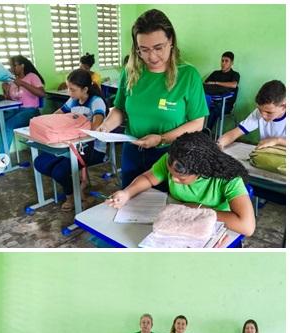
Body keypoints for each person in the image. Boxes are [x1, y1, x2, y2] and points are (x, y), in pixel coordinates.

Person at [97, 9, 208, 188]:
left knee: (163, 208)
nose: (152, 57)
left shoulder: (188, 75)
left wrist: (161, 138)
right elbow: (120, 109)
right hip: (132, 151)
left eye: (158, 48)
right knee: (130, 204)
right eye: (144, 50)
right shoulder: (131, 72)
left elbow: (197, 123)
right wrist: (106, 126)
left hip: (170, 156)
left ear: (170, 41)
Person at [106, 131, 256, 237]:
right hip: (176, 221)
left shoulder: (229, 179)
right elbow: (148, 178)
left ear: (202, 171)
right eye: (171, 174)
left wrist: (199, 209)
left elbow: (247, 227)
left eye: (181, 178)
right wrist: (127, 193)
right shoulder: (173, 160)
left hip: (211, 227)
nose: (173, 180)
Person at [34, 69, 107, 211]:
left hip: (92, 149)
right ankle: (76, 188)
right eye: (68, 88)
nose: (69, 93)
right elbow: (56, 116)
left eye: (72, 90)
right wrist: (45, 124)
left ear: (85, 89)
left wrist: (75, 127)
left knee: (59, 172)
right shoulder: (74, 99)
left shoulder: (96, 102)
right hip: (70, 146)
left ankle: (72, 196)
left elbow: (96, 127)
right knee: (40, 162)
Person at [0, 55, 45, 175]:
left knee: (8, 126)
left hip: (30, 111)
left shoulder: (32, 77)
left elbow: (42, 93)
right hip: (15, 110)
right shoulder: (12, 80)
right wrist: (5, 90)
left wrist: (22, 83)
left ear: (22, 66)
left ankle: (1, 163)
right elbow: (11, 99)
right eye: (10, 66)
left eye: (14, 65)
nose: (12, 68)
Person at [219, 79, 286, 149]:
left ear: (283, 107)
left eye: (269, 112)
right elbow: (236, 132)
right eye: (260, 110)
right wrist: (218, 144)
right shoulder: (259, 113)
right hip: (267, 153)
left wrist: (277, 141)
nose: (263, 115)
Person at [203, 51, 240, 133]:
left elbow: (234, 85)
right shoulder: (215, 73)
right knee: (201, 106)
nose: (223, 63)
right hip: (211, 101)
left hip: (226, 104)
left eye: (226, 61)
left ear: (232, 63)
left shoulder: (235, 74)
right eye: (222, 61)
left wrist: (216, 83)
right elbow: (206, 84)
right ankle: (197, 133)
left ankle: (205, 134)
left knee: (214, 110)